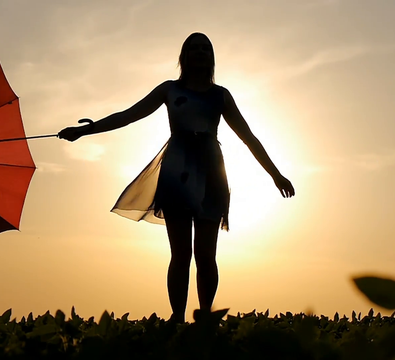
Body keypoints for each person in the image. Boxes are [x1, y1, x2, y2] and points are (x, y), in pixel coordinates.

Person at [58, 32, 295, 324]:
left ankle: (206, 318)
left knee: (206, 255)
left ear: (211, 57)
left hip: (210, 173)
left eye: (204, 48)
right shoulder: (169, 89)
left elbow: (248, 137)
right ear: (183, 55)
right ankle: (178, 318)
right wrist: (86, 130)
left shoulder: (220, 95)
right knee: (180, 254)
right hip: (177, 173)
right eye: (193, 48)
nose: (199, 52)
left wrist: (276, 174)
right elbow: (129, 115)